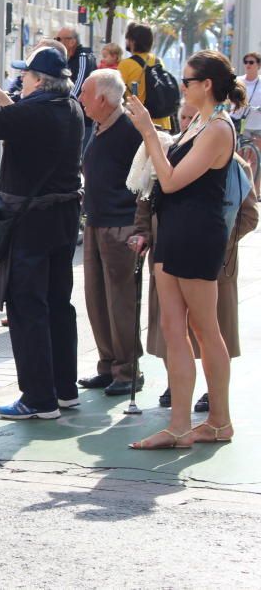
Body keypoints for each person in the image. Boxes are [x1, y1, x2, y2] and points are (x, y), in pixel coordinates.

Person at [0, 47, 84, 420]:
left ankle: (38, 398)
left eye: (25, 75)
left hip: (32, 221)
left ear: (39, 81)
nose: (21, 79)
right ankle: (64, 389)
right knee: (59, 304)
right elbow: (14, 112)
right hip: (62, 217)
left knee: (28, 307)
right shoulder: (69, 108)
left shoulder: (35, 112)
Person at [126, 50, 244, 449]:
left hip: (196, 235)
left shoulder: (217, 128)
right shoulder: (200, 125)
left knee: (205, 329)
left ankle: (218, 420)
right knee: (175, 329)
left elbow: (172, 180)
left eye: (188, 80)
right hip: (174, 230)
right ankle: (179, 425)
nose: (182, 86)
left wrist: (147, 131)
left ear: (206, 85)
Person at [134, 151, 257, 413]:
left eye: (193, 117)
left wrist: (215, 241)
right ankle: (175, 384)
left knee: (215, 328)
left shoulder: (233, 164)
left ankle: (215, 393)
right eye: (185, 119)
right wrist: (142, 233)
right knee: (172, 328)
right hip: (169, 257)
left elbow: (249, 216)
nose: (190, 123)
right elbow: (146, 203)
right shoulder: (168, 157)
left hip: (214, 263)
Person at [75, 69, 144, 396]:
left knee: (121, 301)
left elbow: (147, 179)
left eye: (86, 94)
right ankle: (108, 364)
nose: (82, 100)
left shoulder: (129, 130)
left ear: (103, 98)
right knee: (96, 298)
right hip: (96, 221)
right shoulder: (99, 127)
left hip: (121, 224)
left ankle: (128, 370)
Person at [118, 22, 172, 131]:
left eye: (127, 38)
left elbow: (117, 94)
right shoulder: (158, 61)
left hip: (139, 124)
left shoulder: (125, 64)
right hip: (161, 122)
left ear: (133, 41)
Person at [231, 51, 261, 138]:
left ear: (258, 65)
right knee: (241, 149)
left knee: (256, 150)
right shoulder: (238, 81)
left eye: (251, 62)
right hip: (241, 122)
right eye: (246, 62)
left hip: (258, 124)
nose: (248, 64)